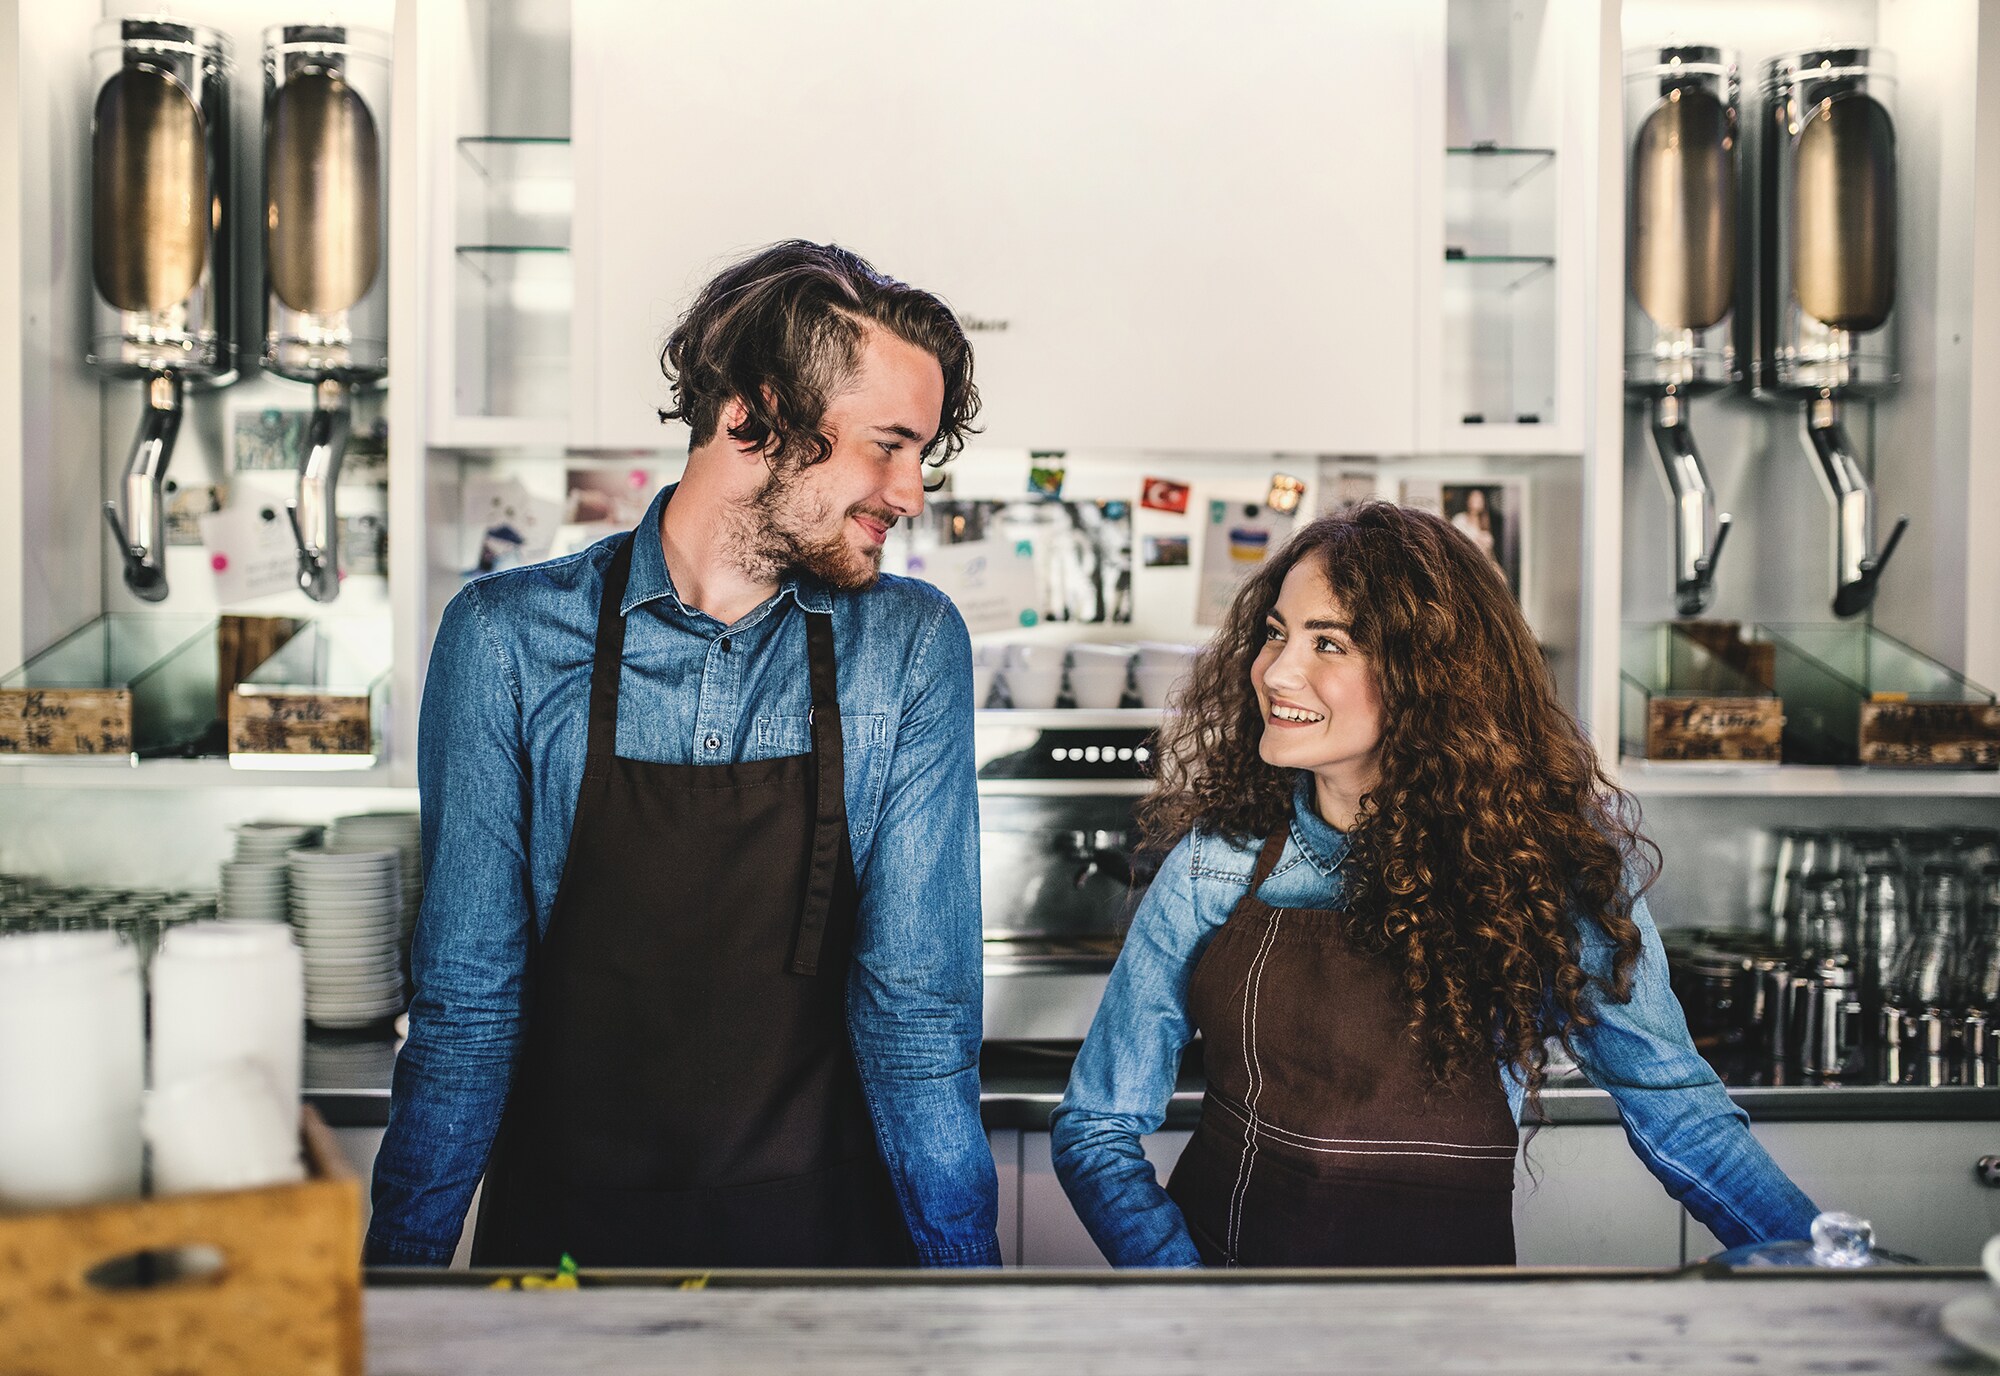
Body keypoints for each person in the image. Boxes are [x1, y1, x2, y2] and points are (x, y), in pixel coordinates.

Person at [366, 241, 1001, 1269]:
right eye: (888, 446)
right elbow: (468, 1009)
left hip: (825, 1246)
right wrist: (393, 1292)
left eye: (919, 454)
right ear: (755, 415)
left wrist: (970, 1295)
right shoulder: (505, 640)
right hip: (567, 1251)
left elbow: (918, 1017)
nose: (911, 491)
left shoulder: (909, 645)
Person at [1051, 502, 1819, 1267]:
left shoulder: (1544, 869)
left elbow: (1681, 1117)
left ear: (1429, 677)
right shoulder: (1215, 862)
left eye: (1329, 643)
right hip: (1233, 1308)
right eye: (1277, 633)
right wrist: (1189, 1294)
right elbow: (1096, 1128)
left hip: (1456, 1320)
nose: (1276, 670)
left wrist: (1836, 1268)